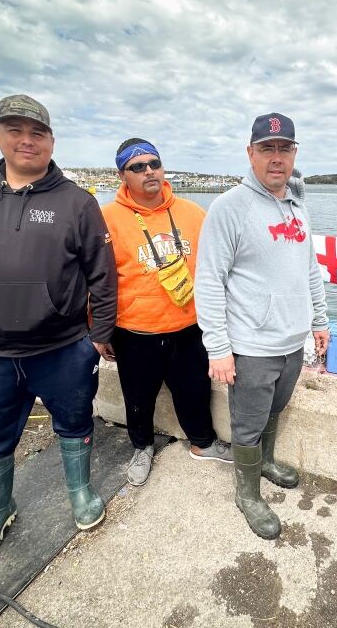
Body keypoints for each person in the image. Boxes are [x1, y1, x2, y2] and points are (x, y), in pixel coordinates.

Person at [0, 94, 117, 567]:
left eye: (37, 132)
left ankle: (80, 492)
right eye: (15, 130)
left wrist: (97, 337)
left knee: (75, 424)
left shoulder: (77, 202)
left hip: (61, 348)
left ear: (52, 141)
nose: (26, 141)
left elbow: (103, 275)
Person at [195, 113, 329, 540]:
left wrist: (320, 320)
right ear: (250, 153)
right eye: (267, 148)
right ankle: (247, 494)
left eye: (284, 148)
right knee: (248, 423)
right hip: (251, 344)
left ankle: (266, 463)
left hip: (292, 341)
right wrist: (218, 347)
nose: (277, 157)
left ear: (294, 154)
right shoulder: (229, 207)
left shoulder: (298, 206)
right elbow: (209, 279)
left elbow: (310, 270)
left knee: (275, 410)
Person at [101, 138, 233, 487]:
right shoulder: (107, 218)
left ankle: (203, 443)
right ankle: (142, 447)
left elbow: (220, 266)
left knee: (194, 392)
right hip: (135, 332)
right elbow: (96, 278)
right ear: (122, 175)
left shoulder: (192, 213)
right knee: (138, 399)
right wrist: (98, 329)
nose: (149, 171)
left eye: (154, 164)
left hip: (190, 329)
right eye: (138, 167)